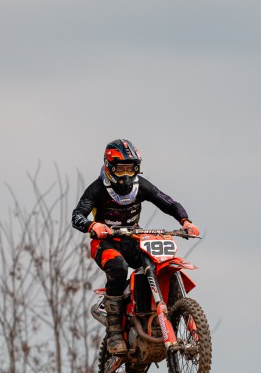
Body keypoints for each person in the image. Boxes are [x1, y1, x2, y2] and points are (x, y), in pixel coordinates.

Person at [72, 138, 199, 355]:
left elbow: (168, 202)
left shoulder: (141, 186)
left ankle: (163, 313)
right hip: (105, 243)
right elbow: (77, 216)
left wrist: (185, 221)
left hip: (133, 238)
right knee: (118, 267)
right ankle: (114, 332)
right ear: (109, 167)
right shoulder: (97, 189)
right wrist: (93, 225)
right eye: (121, 169)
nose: (126, 175)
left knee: (160, 262)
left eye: (130, 169)